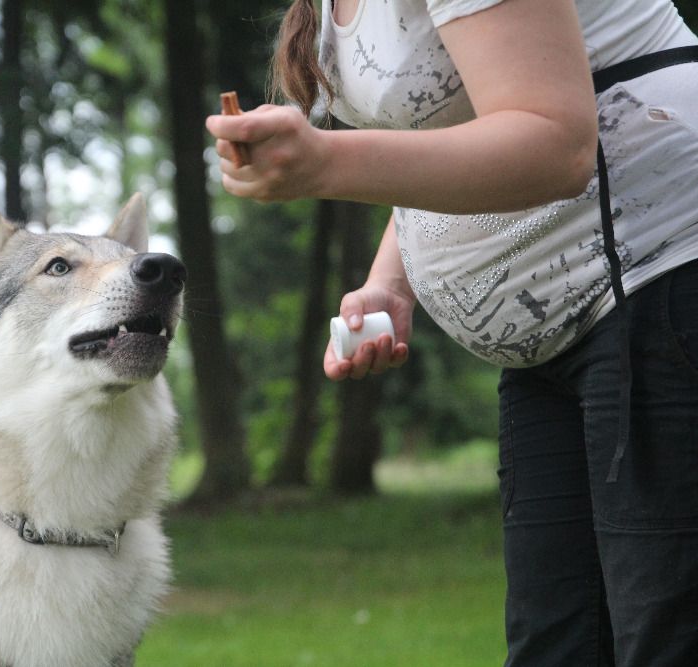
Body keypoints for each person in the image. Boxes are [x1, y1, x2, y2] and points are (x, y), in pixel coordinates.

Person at [206, 0, 698, 664]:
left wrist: (324, 162)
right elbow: (451, 126)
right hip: (548, 335)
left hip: (657, 279)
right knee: (556, 643)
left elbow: (558, 143)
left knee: (666, 633)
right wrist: (389, 283)